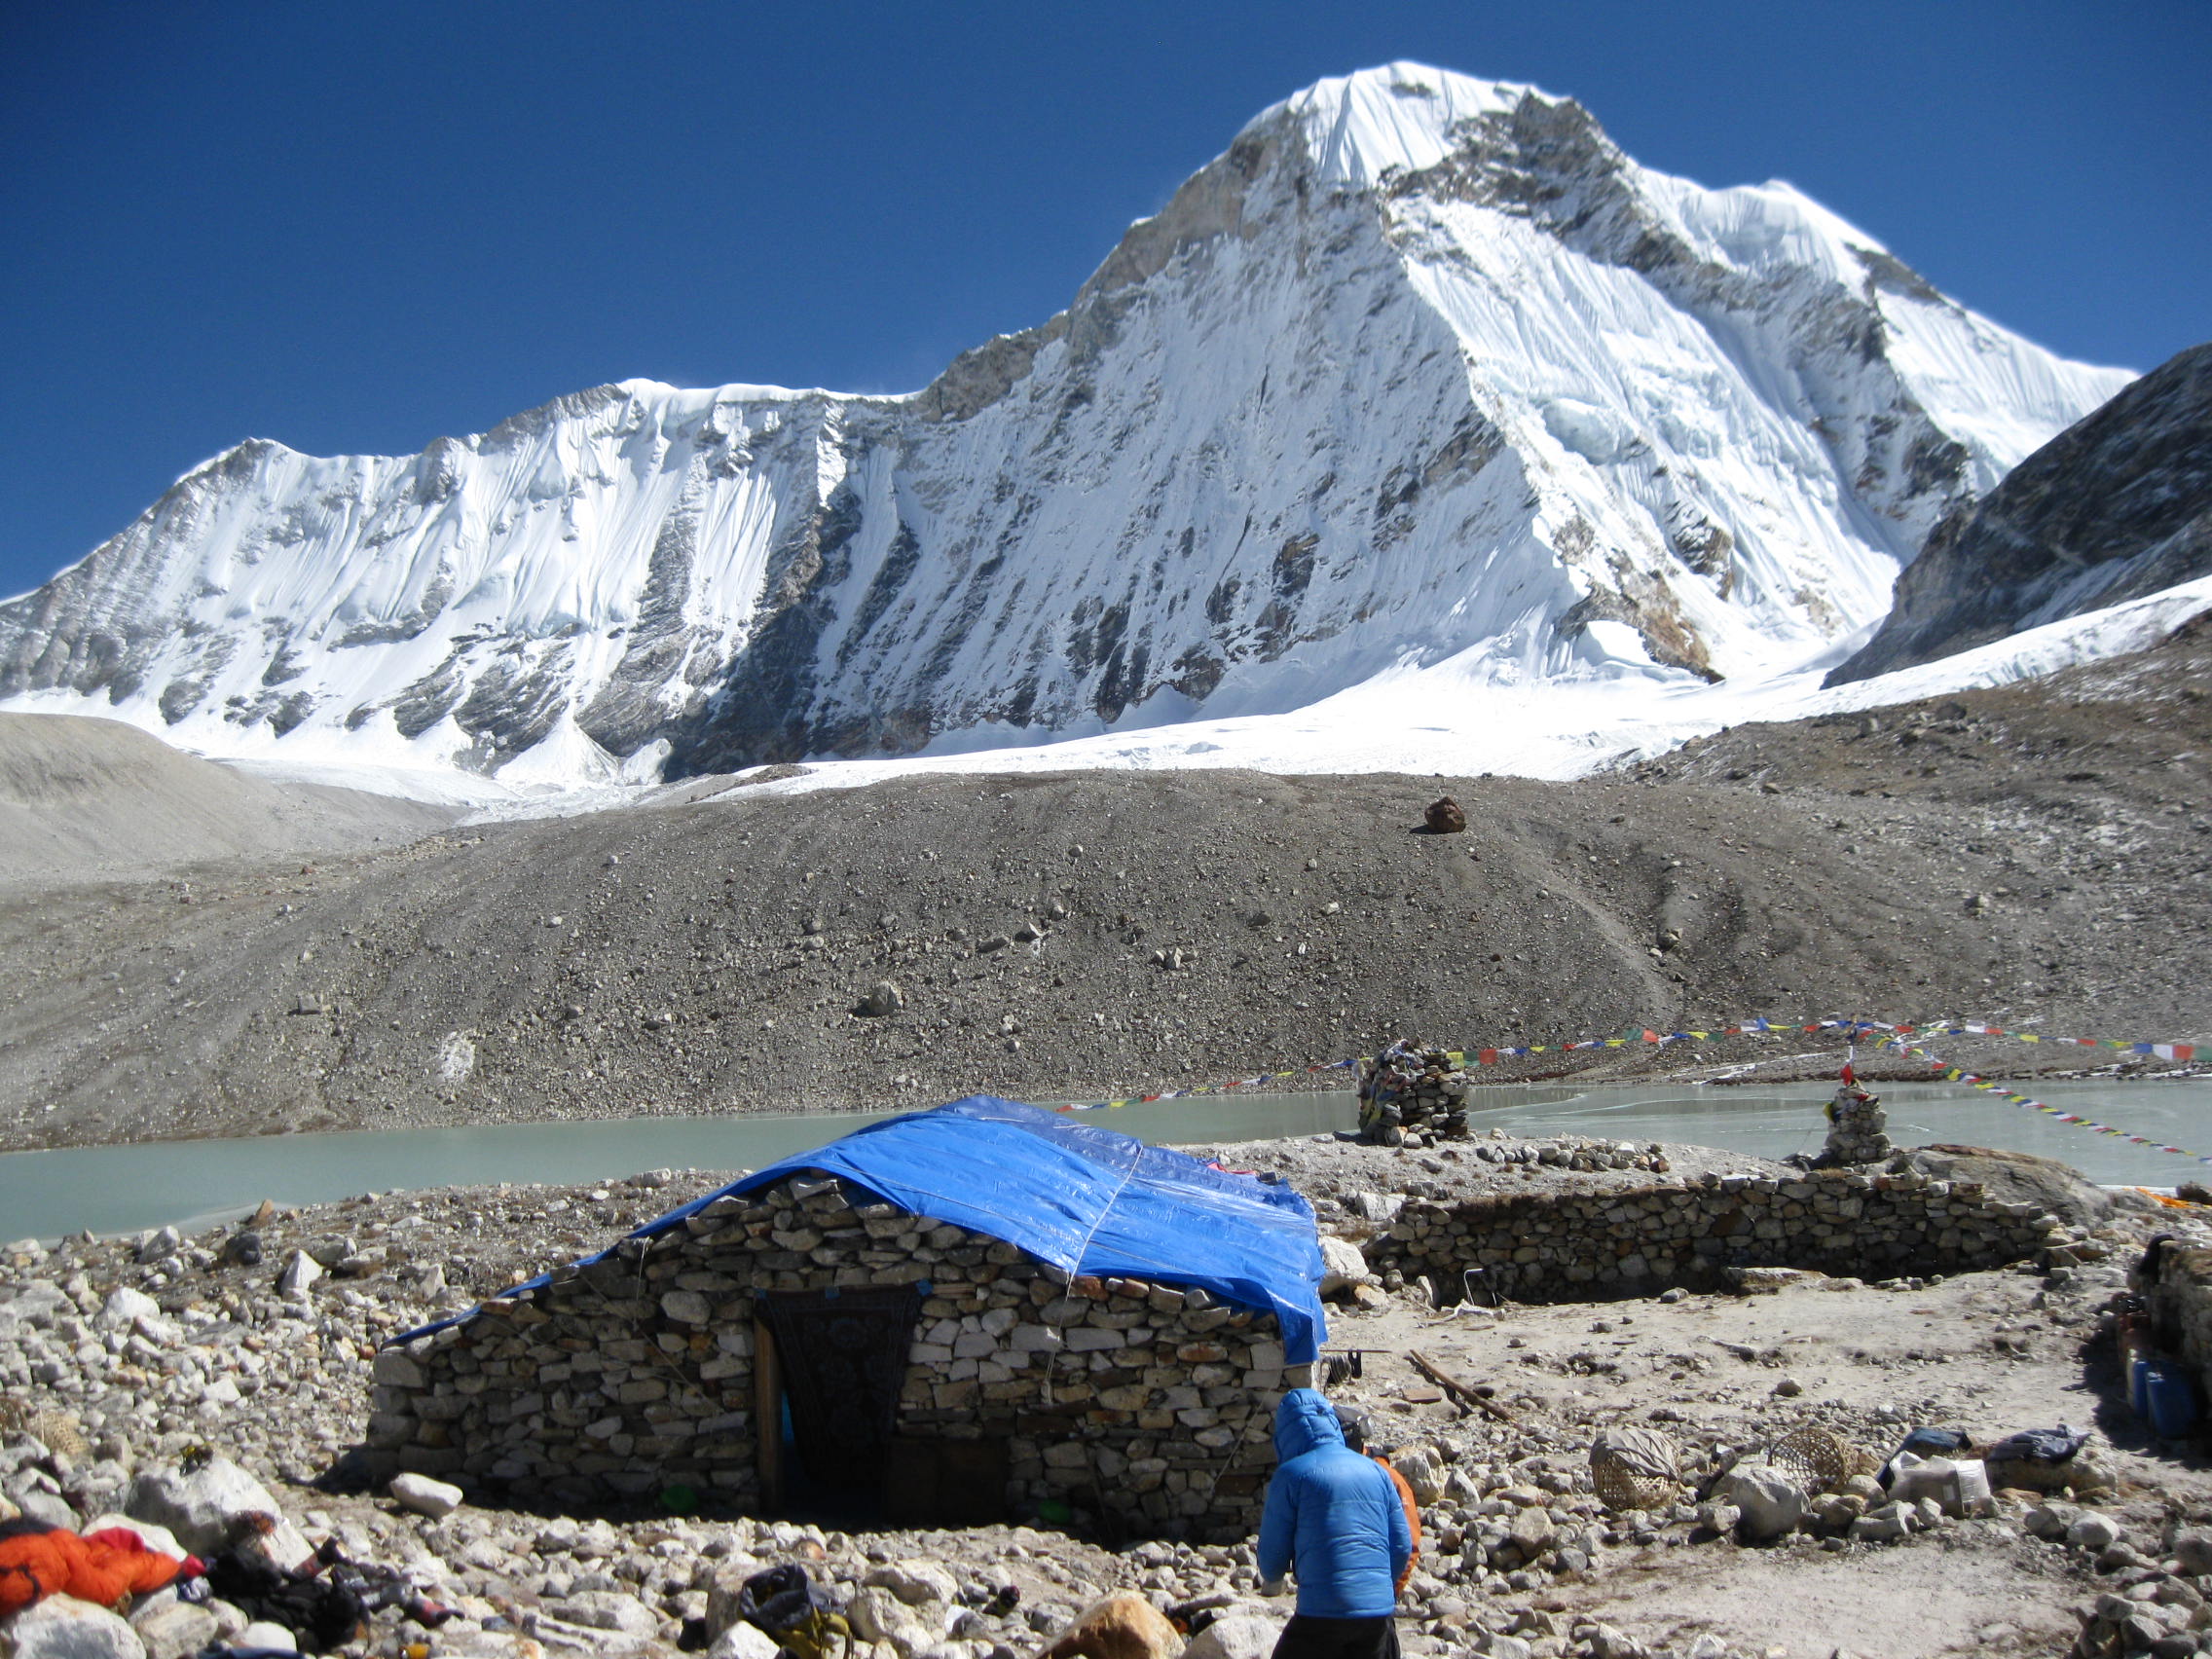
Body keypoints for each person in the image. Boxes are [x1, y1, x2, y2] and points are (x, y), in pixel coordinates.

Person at [1256, 1390, 1413, 1659]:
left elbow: (1272, 1556)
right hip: (1377, 1616)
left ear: (1284, 1434)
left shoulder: (1291, 1475)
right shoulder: (1376, 1470)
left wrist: (1273, 1580)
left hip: (1320, 1614)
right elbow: (1401, 1545)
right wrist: (1376, 1587)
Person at [1333, 1407, 1420, 1595]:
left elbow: (1408, 1541)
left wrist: (1392, 1589)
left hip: (1373, 1587)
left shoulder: (1387, 1477)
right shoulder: (1328, 1476)